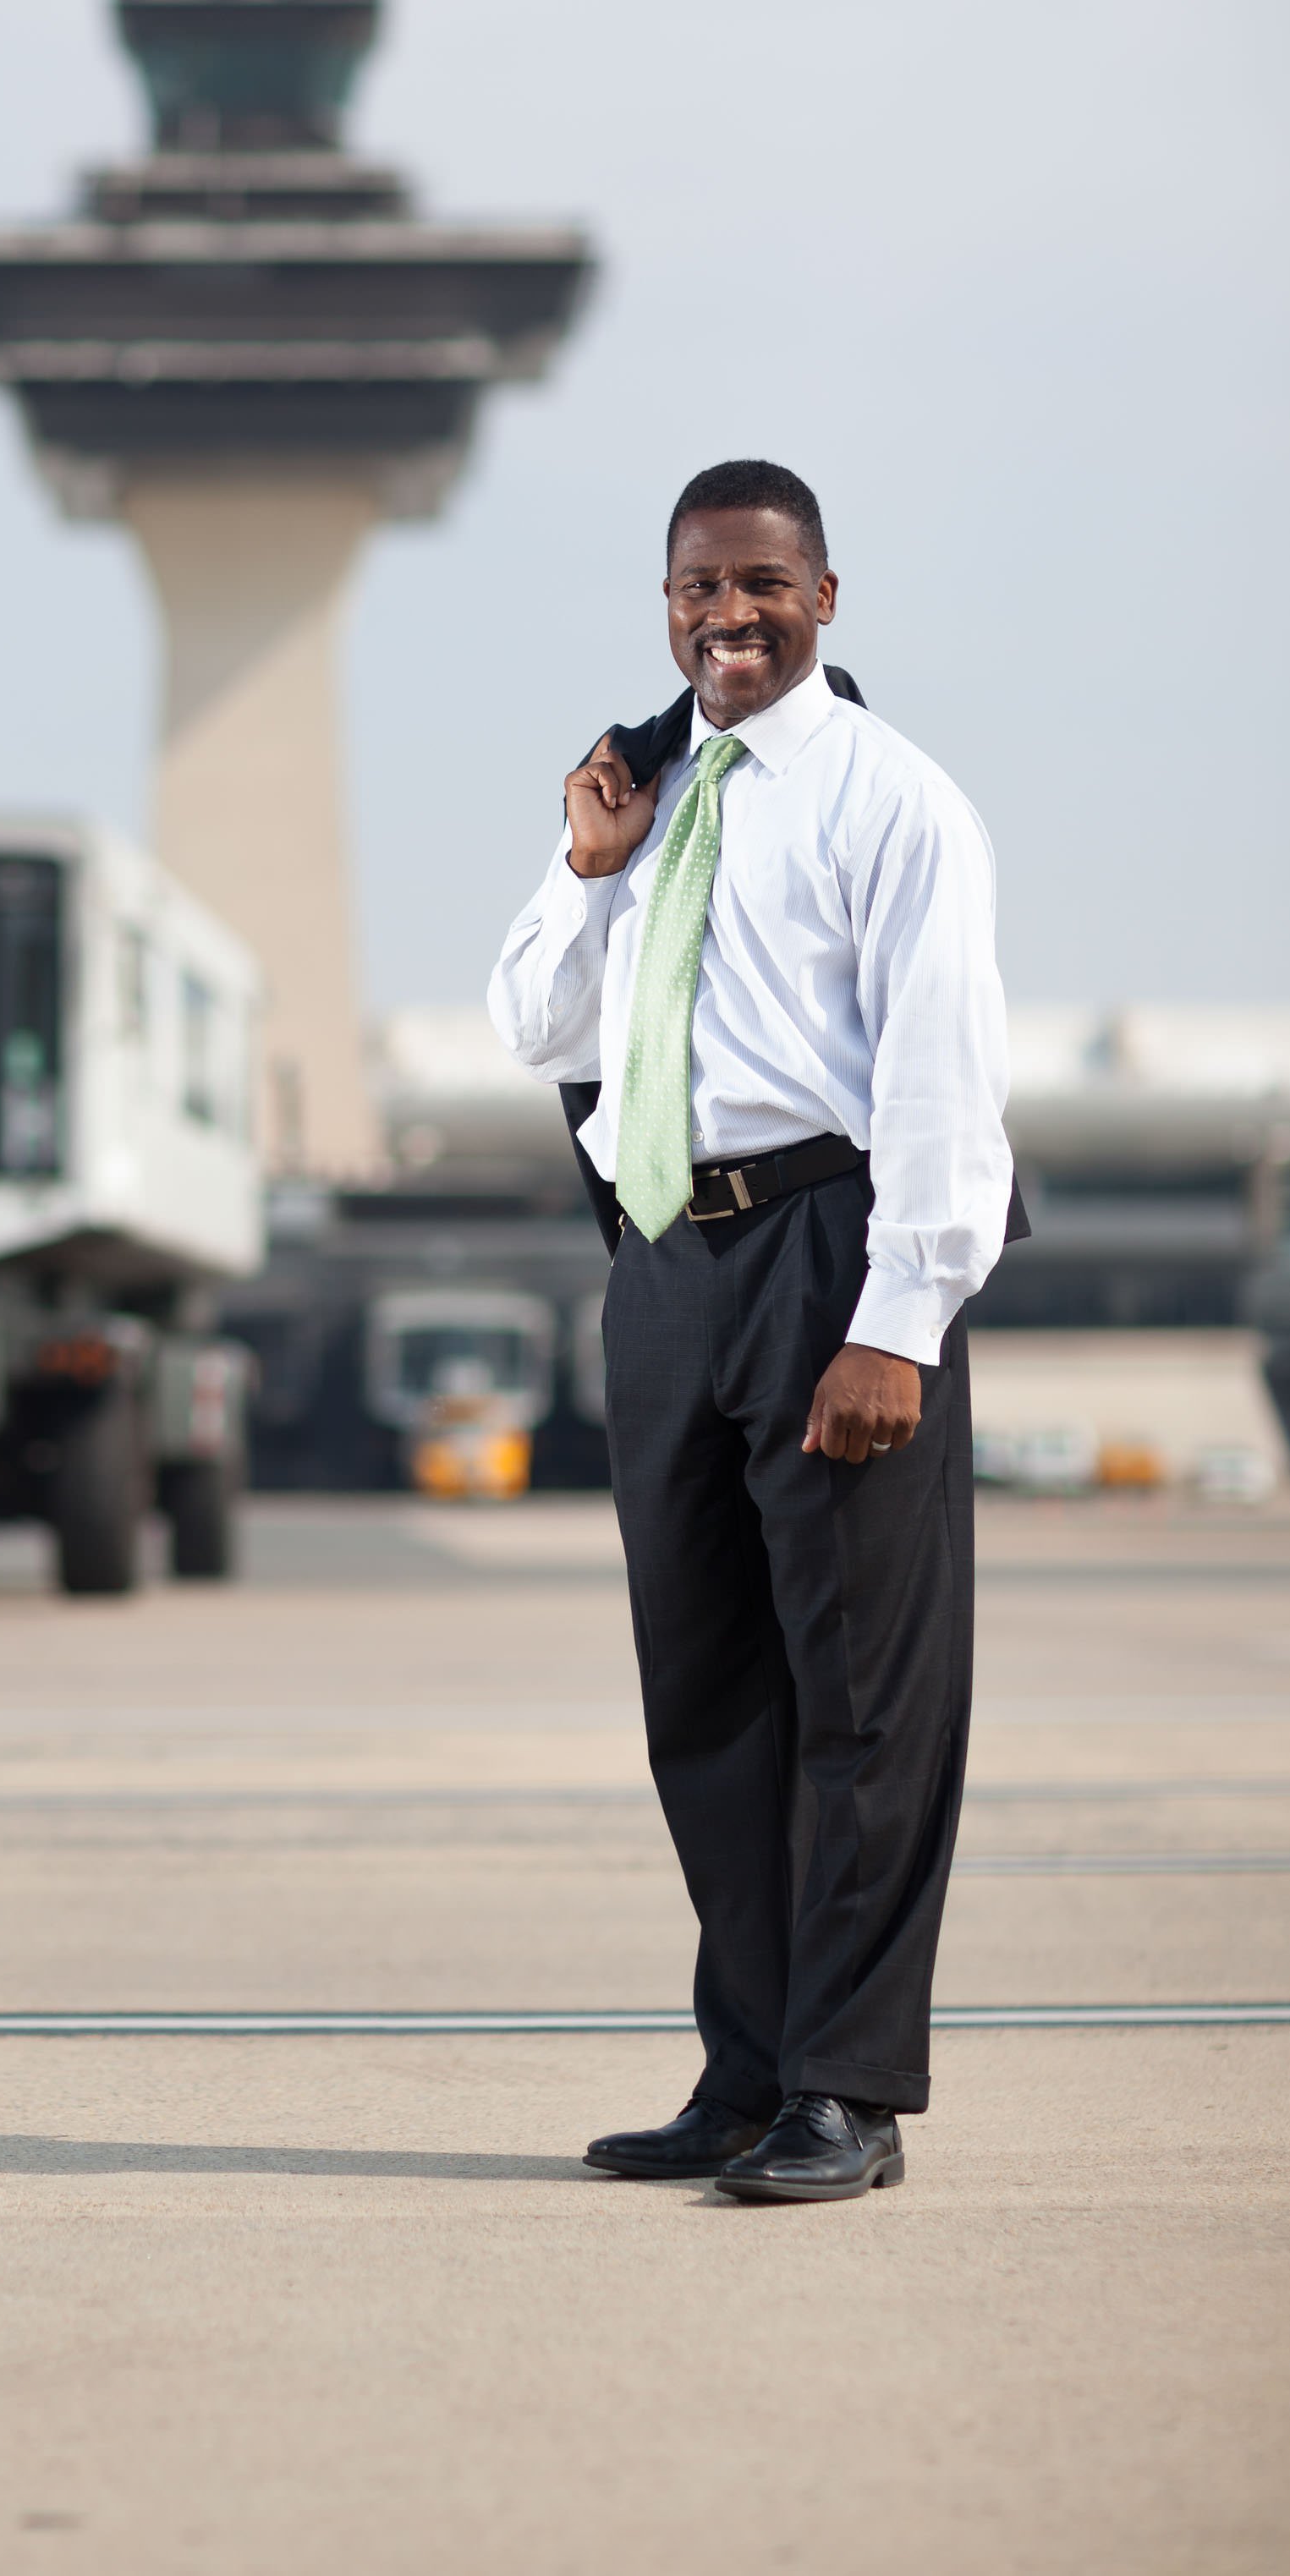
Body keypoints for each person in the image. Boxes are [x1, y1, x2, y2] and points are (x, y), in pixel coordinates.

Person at [487, 460, 1013, 2202]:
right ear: (663, 604)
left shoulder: (891, 801)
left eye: (759, 586)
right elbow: (526, 1022)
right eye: (696, 589)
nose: (725, 615)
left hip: (824, 1250)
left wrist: (899, 1324)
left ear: (822, 596)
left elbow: (942, 1076)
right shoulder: (637, 796)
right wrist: (584, 868)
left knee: (858, 1697)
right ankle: (749, 2069)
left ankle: (845, 2095)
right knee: (705, 1696)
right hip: (663, 1262)